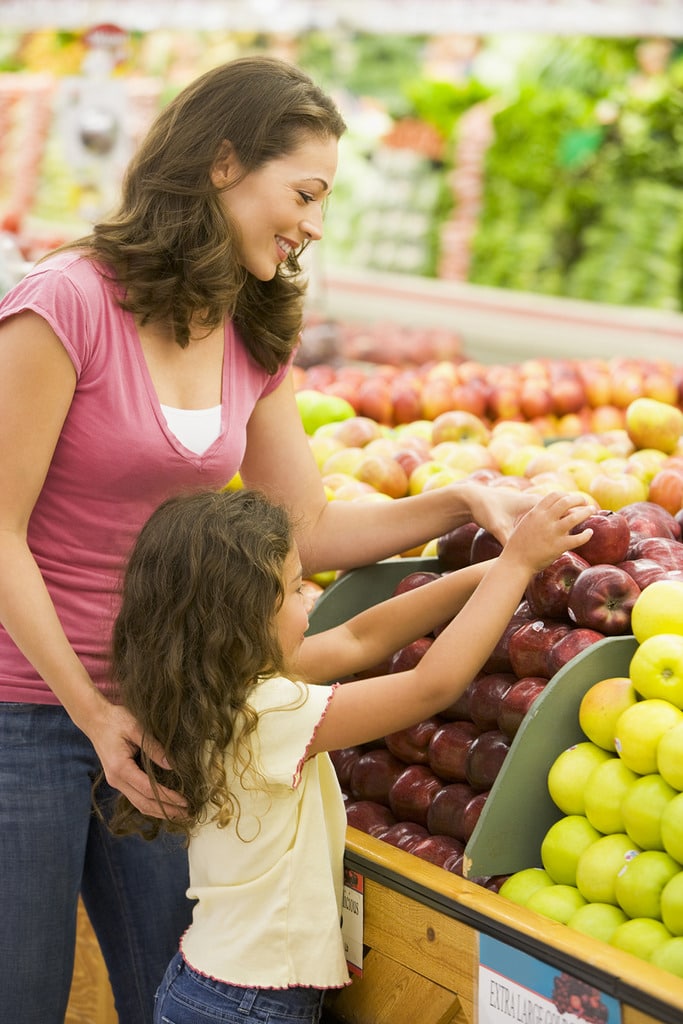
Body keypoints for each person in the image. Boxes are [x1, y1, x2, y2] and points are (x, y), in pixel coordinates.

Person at [0, 54, 542, 1022]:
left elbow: (310, 530)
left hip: (173, 714)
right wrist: (90, 711)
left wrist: (462, 499)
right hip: (22, 710)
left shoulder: (251, 331)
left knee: (172, 987)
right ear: (220, 164)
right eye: (303, 191)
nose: (314, 225)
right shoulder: (66, 302)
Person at [110, 486, 593, 1024]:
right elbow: (430, 688)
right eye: (294, 590)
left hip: (215, 983)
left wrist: (500, 569)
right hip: (249, 1003)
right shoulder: (266, 711)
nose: (309, 601)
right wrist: (519, 562)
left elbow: (358, 639)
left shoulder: (209, 689)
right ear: (240, 615)